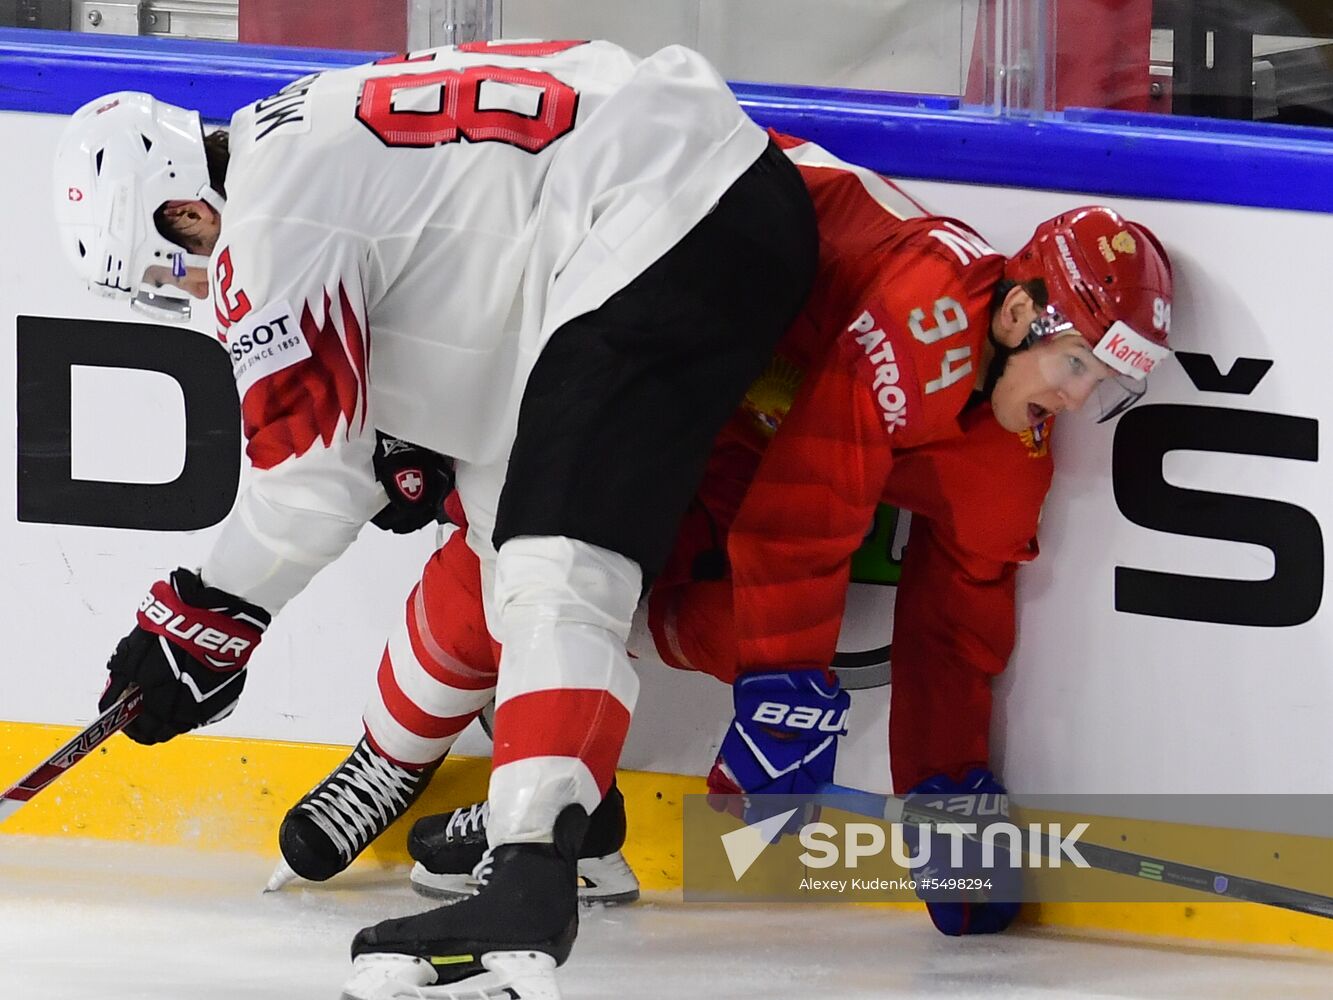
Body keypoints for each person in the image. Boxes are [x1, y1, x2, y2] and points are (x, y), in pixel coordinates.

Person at [52, 39, 818, 1000]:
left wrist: (202, 617)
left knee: (554, 565)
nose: (199, 292)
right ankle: (575, 823)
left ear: (185, 210)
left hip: (659, 227)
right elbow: (468, 276)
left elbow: (310, 478)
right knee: (506, 551)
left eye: (177, 271)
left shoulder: (264, 225)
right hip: (695, 203)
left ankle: (526, 893)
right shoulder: (298, 136)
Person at [269, 133, 1174, 935]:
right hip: (646, 316)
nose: (1075, 399)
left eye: (1099, 384)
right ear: (1015, 316)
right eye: (1073, 364)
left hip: (733, 411)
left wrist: (948, 796)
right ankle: (391, 758)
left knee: (700, 616)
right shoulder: (925, 319)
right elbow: (808, 504)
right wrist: (783, 689)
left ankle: (559, 806)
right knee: (529, 552)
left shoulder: (1008, 453)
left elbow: (954, 627)